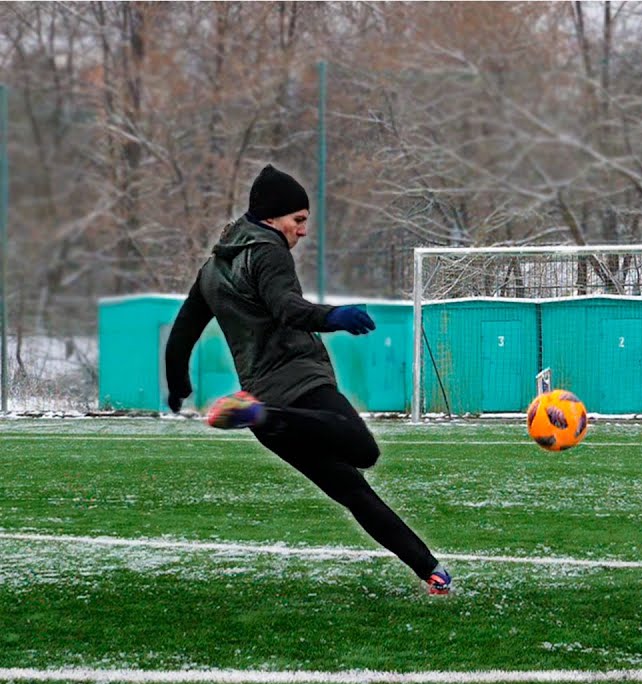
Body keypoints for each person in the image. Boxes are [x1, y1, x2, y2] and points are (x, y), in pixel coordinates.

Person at [163, 164, 451, 596]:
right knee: (363, 453)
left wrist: (177, 385)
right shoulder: (267, 251)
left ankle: (427, 567)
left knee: (348, 488)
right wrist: (333, 316)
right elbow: (286, 307)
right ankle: (263, 414)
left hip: (266, 408)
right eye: (297, 220)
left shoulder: (211, 271)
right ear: (271, 218)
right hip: (301, 383)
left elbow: (182, 332)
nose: (301, 231)